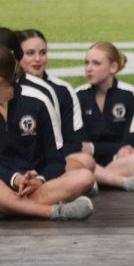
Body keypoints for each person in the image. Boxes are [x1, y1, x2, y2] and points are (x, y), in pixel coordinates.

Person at [0, 44, 95, 221]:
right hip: (0, 182)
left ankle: (5, 207)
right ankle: (51, 212)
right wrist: (15, 178)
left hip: (36, 187)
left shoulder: (38, 102)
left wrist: (38, 179)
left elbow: (56, 160)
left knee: (84, 176)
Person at [75, 42, 134, 195]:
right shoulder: (77, 95)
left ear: (113, 67)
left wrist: (93, 147)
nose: (88, 68)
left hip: (120, 160)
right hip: (87, 160)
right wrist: (91, 150)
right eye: (86, 63)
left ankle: (93, 180)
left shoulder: (132, 94)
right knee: (71, 157)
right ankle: (123, 181)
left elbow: (132, 142)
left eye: (96, 63)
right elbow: (76, 145)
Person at [18, 30, 97, 174]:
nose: (38, 59)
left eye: (42, 52)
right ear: (17, 56)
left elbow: (74, 142)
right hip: (17, 163)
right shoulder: (9, 89)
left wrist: (49, 159)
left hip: (53, 159)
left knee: (86, 161)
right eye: (30, 53)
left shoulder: (63, 89)